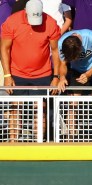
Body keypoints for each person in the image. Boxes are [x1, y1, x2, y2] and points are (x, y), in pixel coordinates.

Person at [1, 0, 62, 141]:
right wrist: (7, 75)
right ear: (25, 12)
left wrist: (56, 76)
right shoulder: (12, 21)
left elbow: (55, 50)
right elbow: (4, 48)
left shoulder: (50, 22)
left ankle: (39, 142)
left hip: (43, 74)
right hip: (17, 73)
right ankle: (13, 143)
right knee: (15, 109)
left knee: (41, 109)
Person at [57, 29, 92, 141]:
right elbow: (63, 64)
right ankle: (71, 138)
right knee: (72, 104)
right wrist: (62, 77)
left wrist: (89, 73)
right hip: (76, 71)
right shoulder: (61, 43)